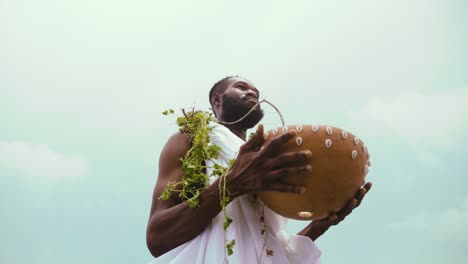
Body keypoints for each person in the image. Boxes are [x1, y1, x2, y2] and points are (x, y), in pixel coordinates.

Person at [146, 76, 372, 263]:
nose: (253, 93)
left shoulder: (263, 164)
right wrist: (232, 184)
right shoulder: (190, 140)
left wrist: (319, 225)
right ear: (217, 100)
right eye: (241, 87)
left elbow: (267, 250)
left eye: (256, 90)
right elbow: (158, 238)